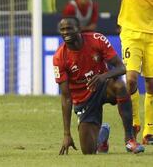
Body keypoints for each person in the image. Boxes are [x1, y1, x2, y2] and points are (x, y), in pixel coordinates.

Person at [54, 17, 144, 154]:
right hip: (84, 100)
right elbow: (66, 97)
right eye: (62, 30)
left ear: (78, 29)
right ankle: (102, 137)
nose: (65, 32)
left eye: (69, 28)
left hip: (104, 87)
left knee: (120, 86)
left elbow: (121, 68)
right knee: (88, 151)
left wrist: (103, 77)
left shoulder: (97, 39)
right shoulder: (59, 57)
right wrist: (67, 134)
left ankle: (129, 139)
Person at [105, 0, 153, 144]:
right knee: (132, 80)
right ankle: (134, 122)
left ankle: (149, 131)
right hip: (132, 32)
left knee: (152, 83)